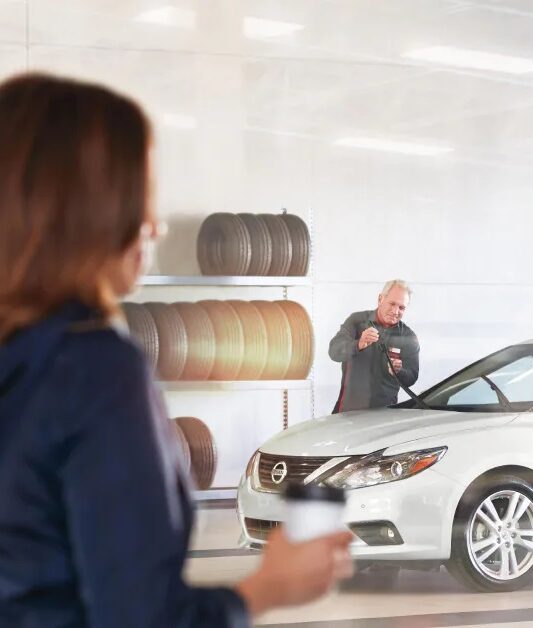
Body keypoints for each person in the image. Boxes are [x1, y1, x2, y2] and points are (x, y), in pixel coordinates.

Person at [0, 73, 352, 628]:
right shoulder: (94, 370)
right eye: (139, 194)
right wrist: (267, 587)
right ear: (86, 210)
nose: (155, 225)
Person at [329, 280, 420, 412]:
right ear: (380, 299)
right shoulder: (357, 321)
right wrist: (358, 344)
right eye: (392, 304)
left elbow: (412, 377)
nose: (395, 311)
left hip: (384, 415)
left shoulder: (408, 336)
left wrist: (399, 372)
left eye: (401, 308)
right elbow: (334, 352)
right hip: (347, 412)